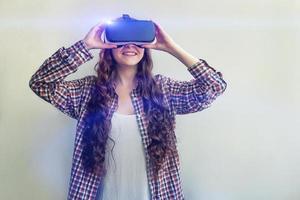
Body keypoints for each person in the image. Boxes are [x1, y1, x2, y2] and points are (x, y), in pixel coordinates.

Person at [29, 16, 227, 200]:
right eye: (122, 40)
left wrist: (171, 48)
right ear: (109, 47)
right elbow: (40, 83)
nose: (130, 46)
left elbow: (214, 87)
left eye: (137, 40)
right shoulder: (87, 91)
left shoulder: (164, 90)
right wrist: (85, 45)